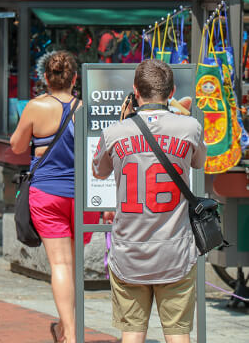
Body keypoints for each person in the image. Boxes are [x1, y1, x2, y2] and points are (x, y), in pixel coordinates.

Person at [92, 59, 206, 343]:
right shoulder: (190, 127)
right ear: (172, 91)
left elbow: (98, 170)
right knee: (178, 334)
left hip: (129, 252)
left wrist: (122, 121)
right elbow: (199, 161)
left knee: (131, 333)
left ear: (135, 91)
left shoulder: (114, 133)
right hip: (176, 251)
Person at [10, 50, 100, 343]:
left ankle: (70, 333)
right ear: (75, 79)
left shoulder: (36, 107)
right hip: (82, 195)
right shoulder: (86, 108)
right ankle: (65, 329)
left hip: (47, 194)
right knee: (74, 265)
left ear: (46, 78)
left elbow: (17, 146)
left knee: (60, 266)